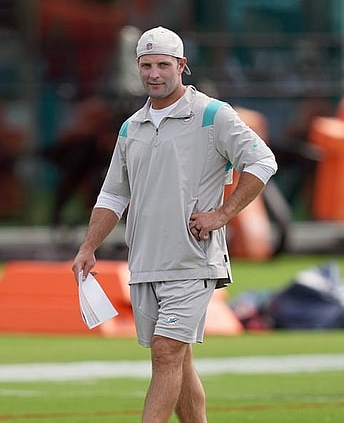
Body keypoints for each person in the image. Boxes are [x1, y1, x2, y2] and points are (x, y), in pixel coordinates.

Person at [71, 26, 278, 423]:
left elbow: (262, 162)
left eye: (163, 65)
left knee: (166, 354)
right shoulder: (131, 127)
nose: (154, 73)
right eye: (146, 65)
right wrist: (88, 247)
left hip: (192, 261)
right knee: (178, 363)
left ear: (182, 65)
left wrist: (222, 214)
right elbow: (113, 195)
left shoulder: (213, 114)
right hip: (145, 263)